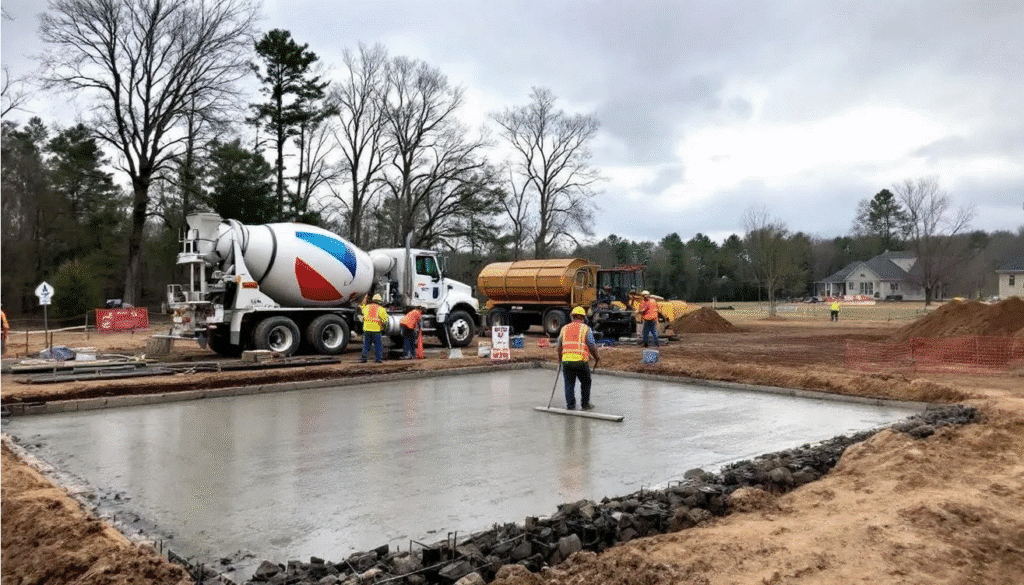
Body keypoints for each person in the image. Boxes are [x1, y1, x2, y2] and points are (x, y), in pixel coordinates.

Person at [557, 306, 601, 410]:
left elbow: (559, 346)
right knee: (586, 382)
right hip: (580, 361)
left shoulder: (564, 328)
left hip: (567, 361)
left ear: (572, 317)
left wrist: (560, 360)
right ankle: (585, 404)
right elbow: (592, 345)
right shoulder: (586, 329)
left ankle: (570, 405)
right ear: (583, 318)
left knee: (569, 384)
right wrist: (597, 357)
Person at [361, 293, 388, 363]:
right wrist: (385, 328)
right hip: (376, 330)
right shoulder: (381, 309)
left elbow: (362, 312)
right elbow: (385, 321)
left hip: (367, 329)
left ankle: (364, 358)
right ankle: (378, 359)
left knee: (366, 345)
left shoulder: (367, 307)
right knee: (378, 345)